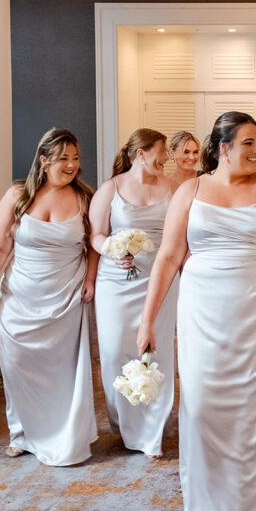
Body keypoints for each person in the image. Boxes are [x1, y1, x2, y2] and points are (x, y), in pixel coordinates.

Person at [137, 111, 256, 511]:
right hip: (203, 318)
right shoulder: (191, 191)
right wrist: (147, 320)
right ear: (223, 147)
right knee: (204, 408)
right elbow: (168, 258)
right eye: (248, 143)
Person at [0, 128, 97, 465]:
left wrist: (91, 280)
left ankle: (65, 434)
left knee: (62, 372)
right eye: (63, 158)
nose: (71, 165)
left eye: (75, 158)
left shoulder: (85, 196)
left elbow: (95, 245)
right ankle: (21, 433)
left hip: (65, 298)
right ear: (44, 160)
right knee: (17, 366)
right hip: (20, 297)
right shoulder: (17, 196)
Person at [89, 128, 179, 460]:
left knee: (157, 351)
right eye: (162, 151)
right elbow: (96, 235)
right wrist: (111, 251)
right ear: (140, 153)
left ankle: (152, 433)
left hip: (161, 279)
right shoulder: (110, 189)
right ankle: (125, 424)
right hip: (115, 282)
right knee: (114, 352)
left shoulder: (173, 189)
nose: (167, 158)